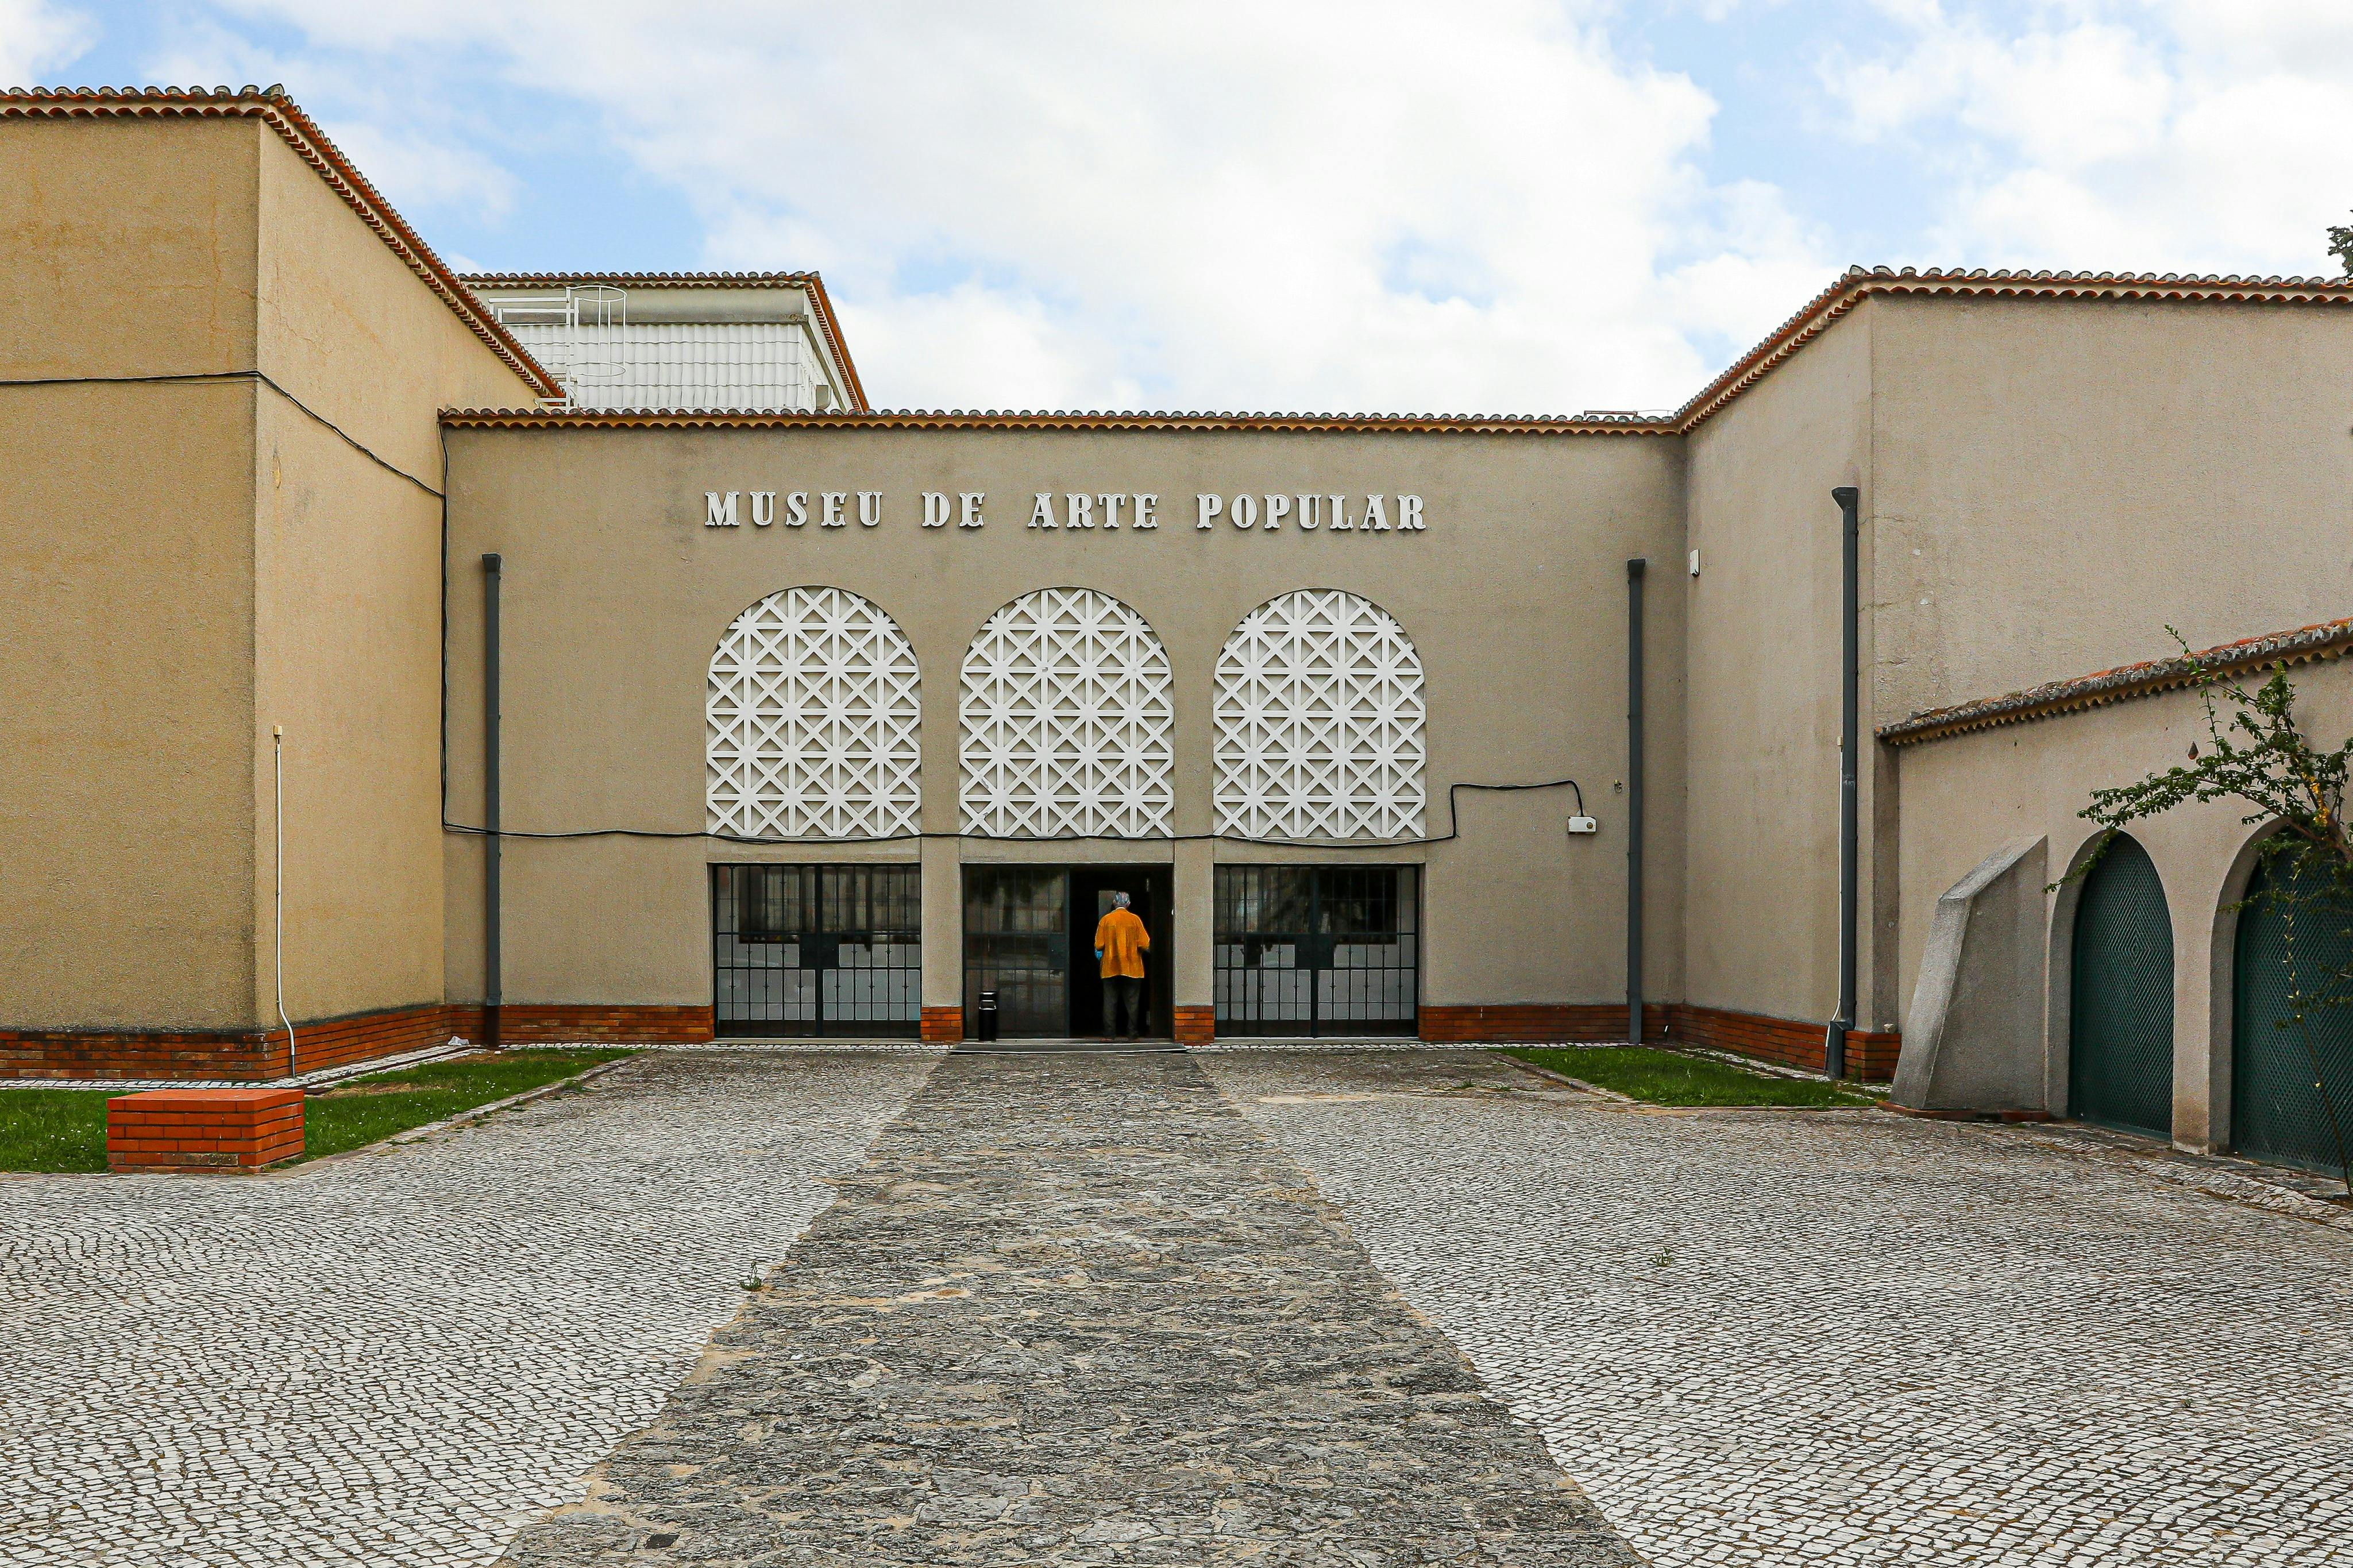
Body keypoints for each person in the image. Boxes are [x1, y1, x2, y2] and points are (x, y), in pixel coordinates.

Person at [1093, 891, 1151, 1041]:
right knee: (1132, 1004)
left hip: (1110, 968)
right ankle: (1132, 1035)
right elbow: (1145, 944)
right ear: (1129, 904)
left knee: (1110, 1003)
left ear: (1114, 902)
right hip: (1133, 969)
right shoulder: (1135, 920)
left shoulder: (1106, 920)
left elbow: (1099, 945)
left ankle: (1109, 1035)